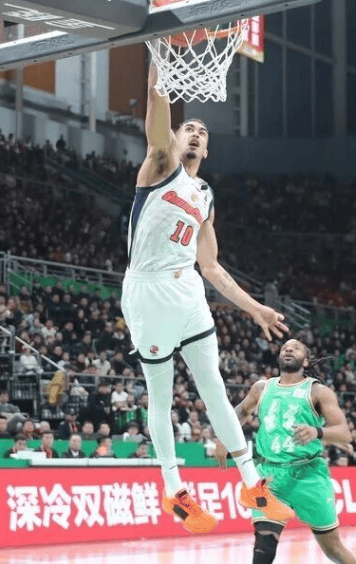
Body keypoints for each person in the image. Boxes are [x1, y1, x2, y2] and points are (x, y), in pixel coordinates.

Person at [120, 62, 293, 533]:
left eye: (202, 131)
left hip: (187, 290)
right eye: (188, 129)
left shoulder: (205, 195)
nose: (195, 133)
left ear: (208, 148)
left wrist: (255, 308)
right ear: (176, 139)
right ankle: (174, 490)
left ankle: (252, 484)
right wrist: (157, 67)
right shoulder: (159, 165)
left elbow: (211, 266)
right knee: (161, 397)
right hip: (148, 291)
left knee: (214, 386)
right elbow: (156, 110)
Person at [214, 339, 356, 564]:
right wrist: (223, 437)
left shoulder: (318, 391)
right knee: (264, 545)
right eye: (284, 348)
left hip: (308, 474)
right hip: (270, 476)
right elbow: (239, 413)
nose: (289, 349)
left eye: (296, 348)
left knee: (334, 549)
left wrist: (317, 431)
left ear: (306, 361)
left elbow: (345, 433)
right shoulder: (262, 388)